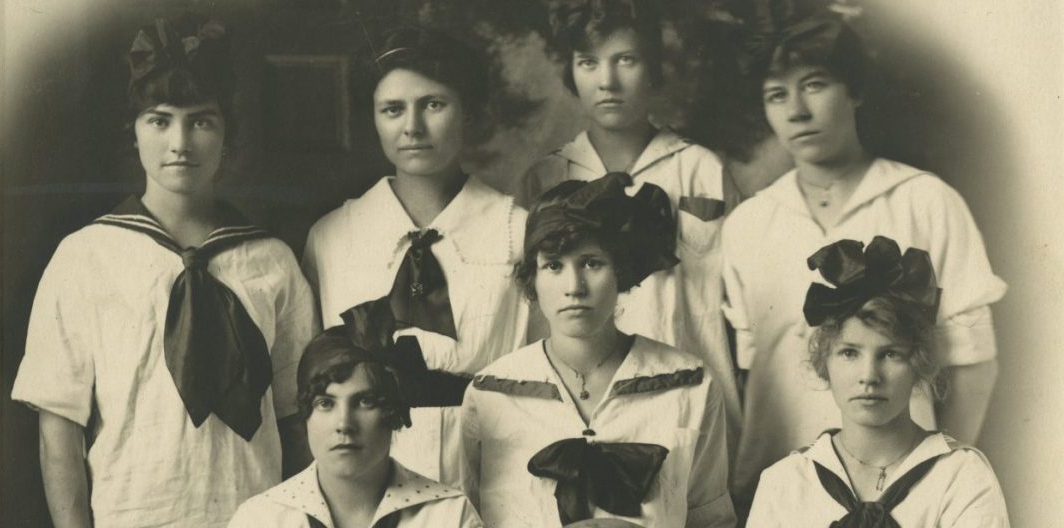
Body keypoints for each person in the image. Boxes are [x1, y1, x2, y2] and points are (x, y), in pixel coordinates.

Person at [10, 14, 318, 527]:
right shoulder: (86, 257)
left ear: (227, 135)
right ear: (133, 134)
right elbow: (58, 428)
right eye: (160, 120)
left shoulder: (271, 261)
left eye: (201, 120)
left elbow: (297, 419)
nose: (181, 142)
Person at [722, 11, 1007, 507]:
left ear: (854, 91)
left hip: (903, 489)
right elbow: (750, 374)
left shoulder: (925, 201)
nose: (796, 110)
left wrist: (936, 479)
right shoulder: (749, 222)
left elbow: (972, 364)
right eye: (776, 95)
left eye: (814, 85)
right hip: (781, 490)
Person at [301, 26, 528, 487]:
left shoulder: (517, 232)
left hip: (497, 469)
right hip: (365, 481)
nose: (412, 127)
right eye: (392, 110)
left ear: (468, 112)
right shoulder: (331, 237)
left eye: (433, 105)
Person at [517, 0, 741, 449]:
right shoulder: (547, 177)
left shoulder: (701, 169)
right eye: (589, 63)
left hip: (690, 403)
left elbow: (744, 306)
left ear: (653, 69)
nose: (607, 81)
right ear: (572, 73)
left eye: (626, 60)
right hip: (578, 406)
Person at [461, 173, 736, 527]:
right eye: (554, 266)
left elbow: (711, 520)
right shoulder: (489, 395)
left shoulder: (690, 385)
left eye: (592, 263)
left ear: (620, 270)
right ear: (534, 277)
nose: (573, 287)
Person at [747, 236, 1010, 527]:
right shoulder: (785, 482)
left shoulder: (961, 477)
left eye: (890, 354)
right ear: (825, 363)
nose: (869, 376)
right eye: (849, 353)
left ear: (918, 362)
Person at [229, 323, 483, 527]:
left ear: (393, 413)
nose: (344, 424)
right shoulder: (260, 519)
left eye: (365, 401)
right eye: (325, 404)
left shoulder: (450, 517)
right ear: (306, 415)